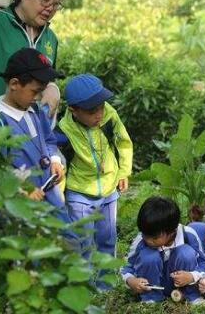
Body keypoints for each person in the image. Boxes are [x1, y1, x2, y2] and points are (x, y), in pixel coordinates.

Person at [57, 74, 132, 267]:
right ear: (74, 110)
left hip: (109, 189)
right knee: (83, 243)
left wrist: (123, 172)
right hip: (80, 194)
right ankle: (85, 286)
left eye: (101, 106)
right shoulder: (64, 132)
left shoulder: (109, 115)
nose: (99, 114)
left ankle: (105, 284)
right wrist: (59, 199)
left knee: (107, 238)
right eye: (92, 111)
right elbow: (61, 166)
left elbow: (123, 142)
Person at [0, 47, 68, 221]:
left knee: (68, 241)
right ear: (14, 84)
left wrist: (55, 161)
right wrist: (22, 189)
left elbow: (49, 139)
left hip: (51, 197)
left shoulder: (35, 110)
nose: (38, 97)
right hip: (22, 208)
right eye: (35, 91)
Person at [120, 196, 205, 305]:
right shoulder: (141, 240)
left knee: (186, 253)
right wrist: (131, 281)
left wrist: (191, 276)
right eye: (145, 234)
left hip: (181, 284)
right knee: (149, 256)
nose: (148, 240)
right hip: (152, 285)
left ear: (172, 231)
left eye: (154, 238)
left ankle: (191, 295)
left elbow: (204, 263)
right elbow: (126, 266)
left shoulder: (188, 235)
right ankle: (150, 298)